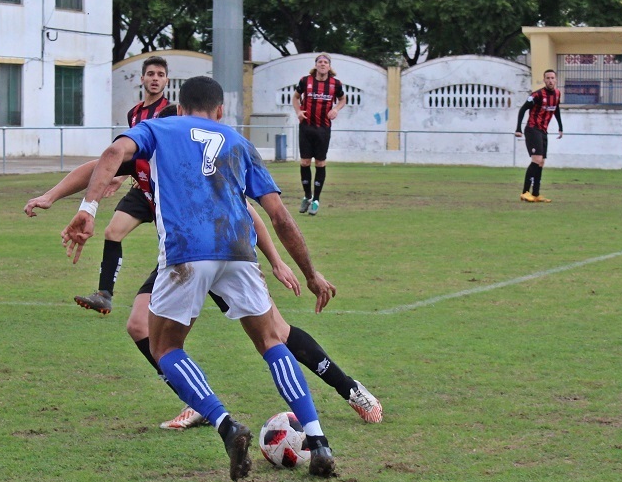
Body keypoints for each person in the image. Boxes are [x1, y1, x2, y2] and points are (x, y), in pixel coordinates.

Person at [62, 76, 339, 480]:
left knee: (165, 346)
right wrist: (310, 274)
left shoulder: (158, 128)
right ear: (220, 110)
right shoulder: (238, 142)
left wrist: (88, 208)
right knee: (271, 340)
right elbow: (279, 216)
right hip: (238, 250)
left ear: (179, 106)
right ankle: (318, 439)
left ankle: (226, 426)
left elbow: (112, 152)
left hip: (186, 252)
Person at [24, 160, 383, 430]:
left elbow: (250, 212)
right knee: (139, 326)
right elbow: (98, 169)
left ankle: (350, 388)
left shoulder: (190, 161)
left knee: (277, 333)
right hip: (183, 260)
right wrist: (51, 196)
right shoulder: (144, 168)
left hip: (224, 254)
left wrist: (276, 261)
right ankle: (196, 403)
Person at [74, 56, 177, 315]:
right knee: (112, 232)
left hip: (165, 191)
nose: (155, 78)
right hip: (141, 187)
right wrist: (119, 176)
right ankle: (104, 294)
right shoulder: (134, 113)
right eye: (150, 74)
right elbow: (132, 151)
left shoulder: (171, 112)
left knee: (174, 247)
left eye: (160, 74)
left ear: (167, 80)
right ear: (142, 78)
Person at [292, 53, 346, 216]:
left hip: (323, 128)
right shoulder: (305, 81)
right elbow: (295, 98)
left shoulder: (335, 84)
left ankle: (316, 200)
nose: (323, 64)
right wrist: (298, 112)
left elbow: (343, 99)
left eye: (325, 62)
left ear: (329, 66)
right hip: (306, 127)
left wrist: (335, 109)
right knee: (305, 162)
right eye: (320, 62)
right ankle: (307, 196)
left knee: (320, 163)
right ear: (316, 65)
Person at [515, 69, 563, 203]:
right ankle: (525, 192)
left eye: (552, 78)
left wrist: (560, 126)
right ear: (544, 80)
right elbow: (523, 109)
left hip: (543, 131)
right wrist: (518, 128)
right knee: (536, 159)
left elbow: (556, 109)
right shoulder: (537, 95)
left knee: (541, 162)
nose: (550, 80)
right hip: (532, 129)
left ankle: (536, 194)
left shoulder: (557, 94)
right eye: (548, 78)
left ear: (556, 80)